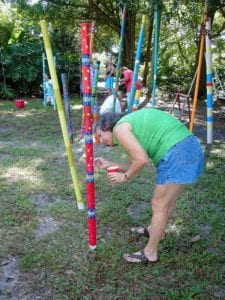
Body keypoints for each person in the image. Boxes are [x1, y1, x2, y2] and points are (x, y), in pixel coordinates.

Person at [94, 109, 204, 264]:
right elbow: (136, 162)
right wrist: (109, 164)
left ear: (106, 126)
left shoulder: (119, 129)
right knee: (167, 203)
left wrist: (125, 177)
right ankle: (155, 230)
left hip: (178, 152)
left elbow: (141, 160)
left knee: (159, 205)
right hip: (187, 148)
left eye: (100, 135)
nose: (100, 140)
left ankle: (150, 253)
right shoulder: (130, 125)